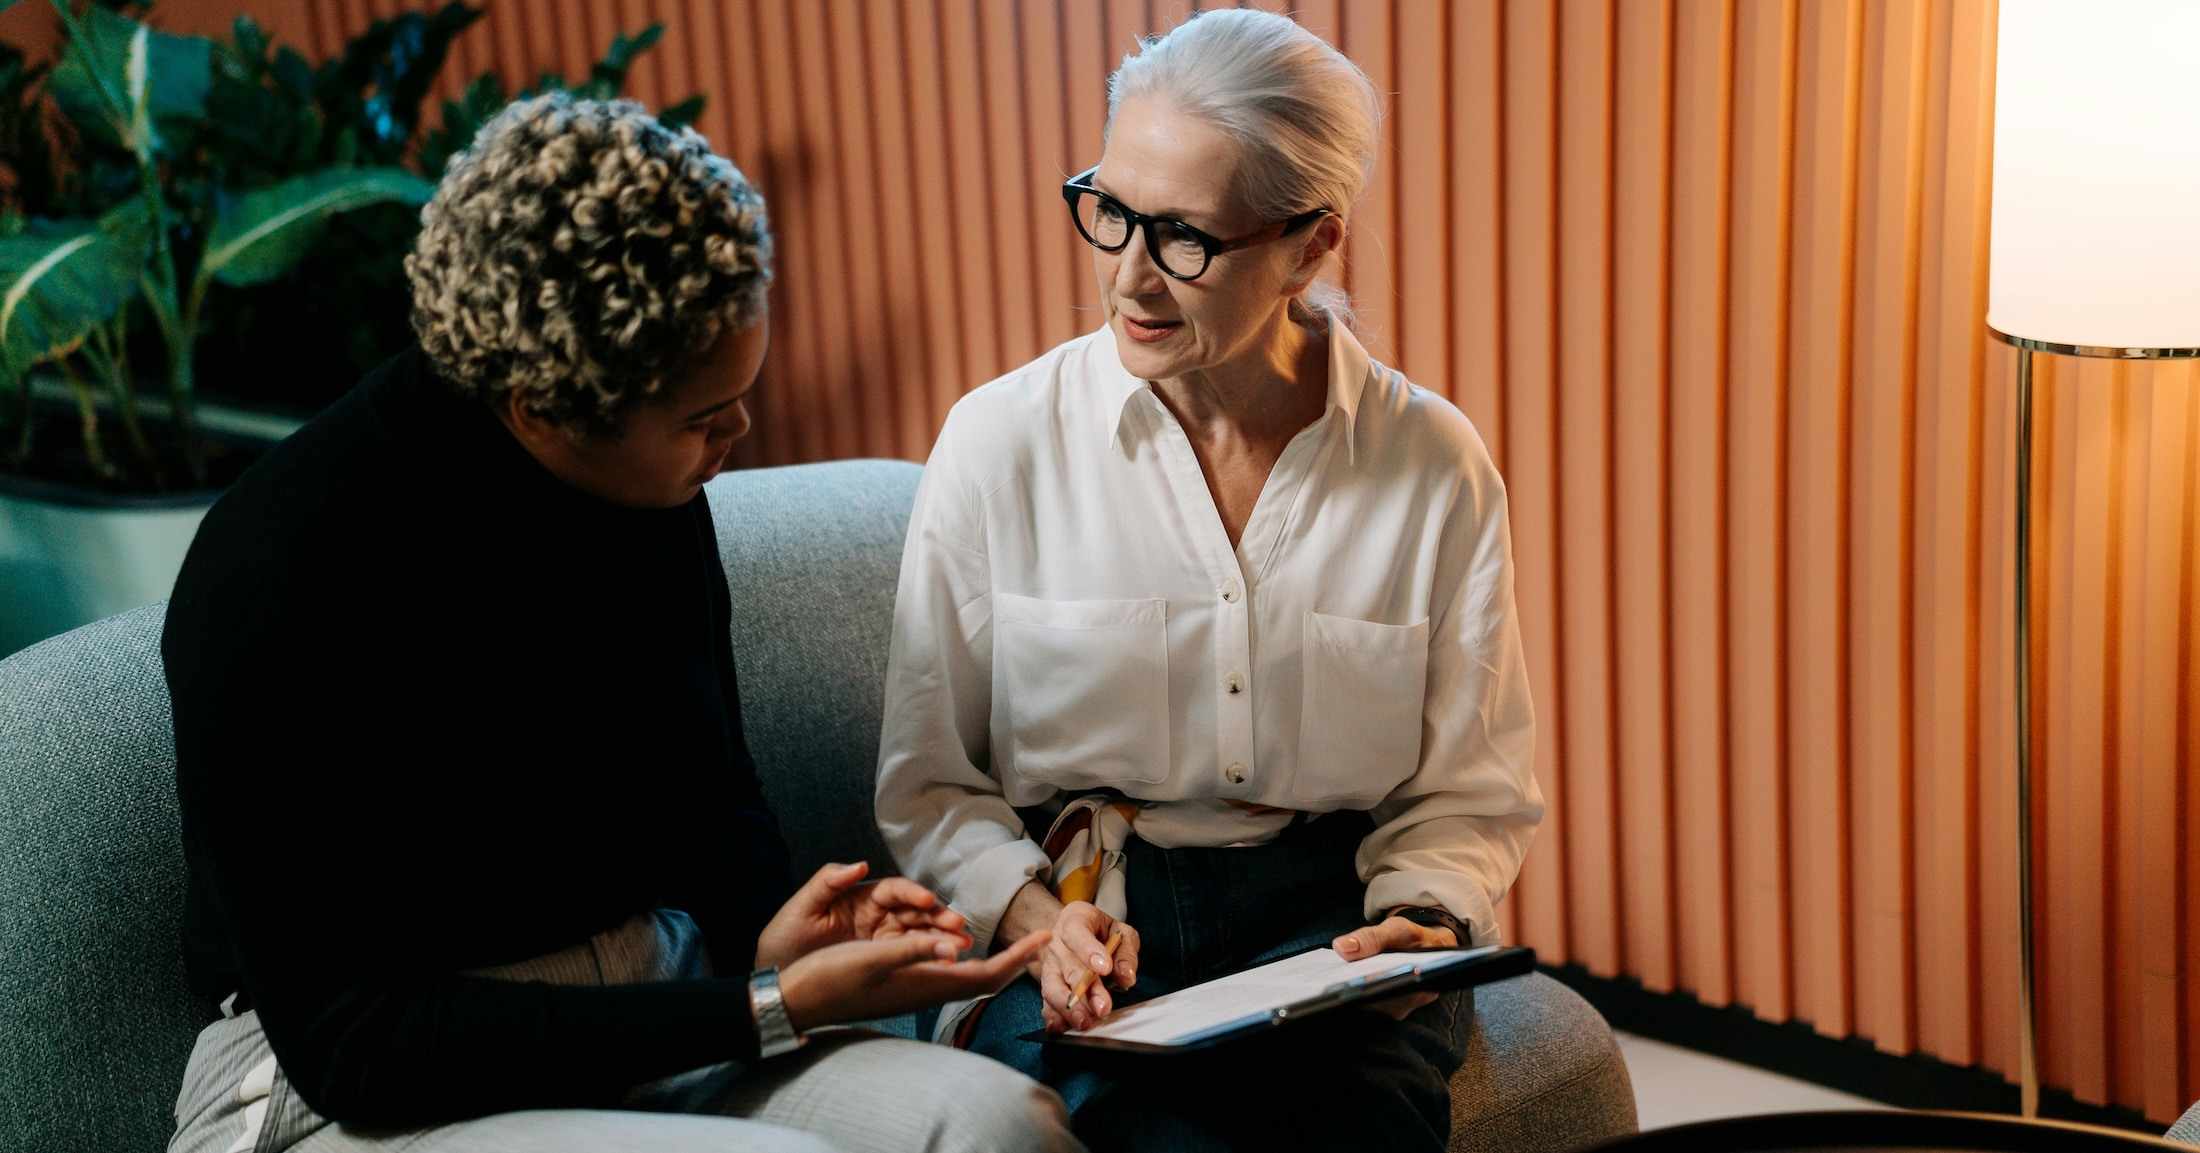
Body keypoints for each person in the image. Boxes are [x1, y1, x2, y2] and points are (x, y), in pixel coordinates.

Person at [163, 93, 1076, 1153]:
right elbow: (354, 1041)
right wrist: (763, 1005)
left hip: (650, 1007)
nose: (739, 429)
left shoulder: (651, 498)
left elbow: (710, 795)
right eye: (700, 418)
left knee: (1000, 1125)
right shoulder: (279, 570)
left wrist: (766, 936)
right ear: (538, 410)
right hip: (359, 1090)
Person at [873, 10, 1544, 1152]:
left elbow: (1465, 791)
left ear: (1310, 245)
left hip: (1329, 922)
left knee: (1356, 1126)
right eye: (1111, 211)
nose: (1128, 273)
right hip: (1082, 909)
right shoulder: (998, 444)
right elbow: (930, 785)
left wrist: (1424, 914)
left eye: (1184, 237)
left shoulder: (1430, 464)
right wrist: (1043, 926)